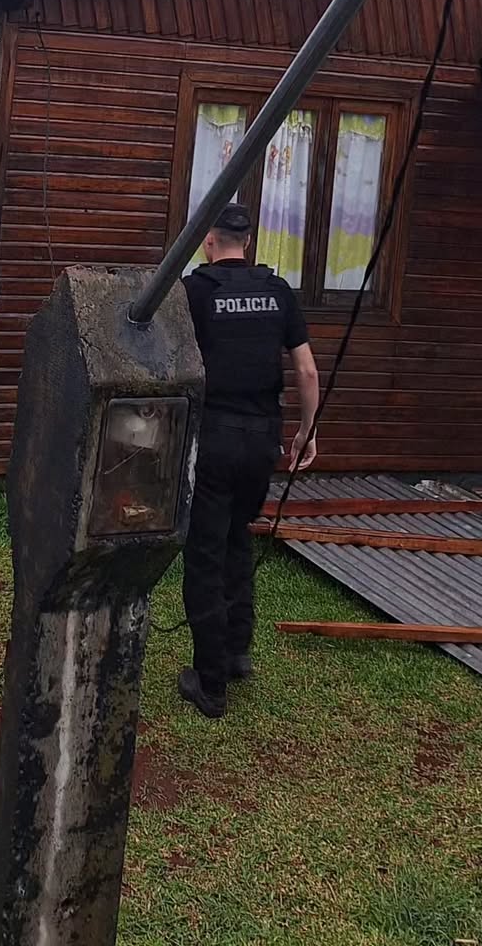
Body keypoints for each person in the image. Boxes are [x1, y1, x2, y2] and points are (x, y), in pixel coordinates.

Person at [177, 203, 320, 719]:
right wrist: (305, 431)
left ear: (209, 243)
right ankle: (237, 652)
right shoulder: (277, 291)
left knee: (206, 553)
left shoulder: (195, 292)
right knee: (239, 538)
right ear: (248, 243)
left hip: (214, 439)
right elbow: (305, 371)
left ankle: (209, 683)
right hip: (264, 440)